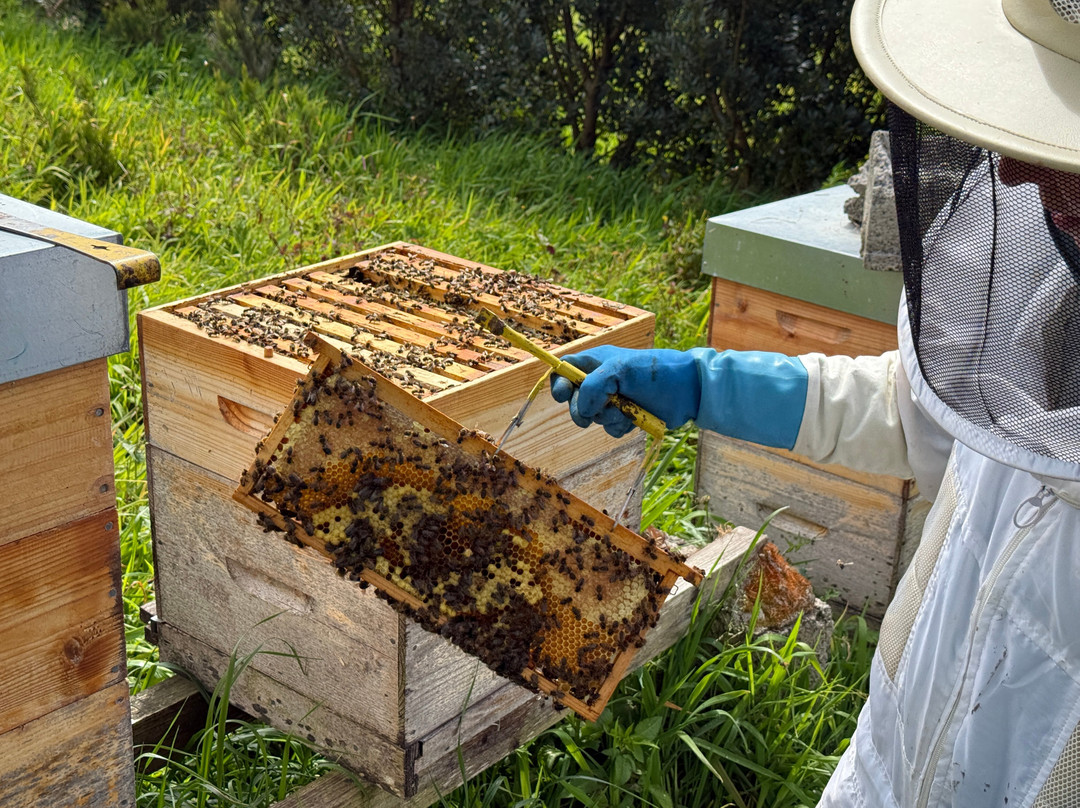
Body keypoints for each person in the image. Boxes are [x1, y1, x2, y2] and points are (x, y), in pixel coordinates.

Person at [550, 0, 1080, 804]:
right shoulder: (1047, 281)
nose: (1012, 168)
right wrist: (704, 384)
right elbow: (922, 412)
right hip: (891, 763)